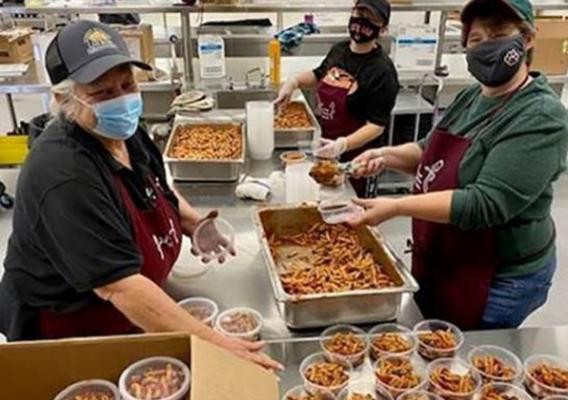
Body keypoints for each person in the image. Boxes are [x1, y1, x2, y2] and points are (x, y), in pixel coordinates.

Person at [0, 20, 282, 371]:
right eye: (102, 92)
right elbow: (121, 288)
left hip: (130, 315)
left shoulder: (125, 133)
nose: (122, 99)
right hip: (72, 329)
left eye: (127, 84)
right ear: (63, 98)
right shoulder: (65, 176)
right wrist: (216, 345)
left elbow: (159, 189)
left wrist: (193, 222)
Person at [350, 0, 568, 330]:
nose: (487, 46)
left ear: (526, 39)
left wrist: (395, 206)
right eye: (477, 39)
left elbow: (485, 203)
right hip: (448, 259)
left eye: (498, 34)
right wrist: (386, 157)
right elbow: (430, 152)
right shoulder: (472, 96)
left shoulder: (540, 116)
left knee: (462, 366)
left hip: (496, 279)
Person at [275, 0, 399, 197]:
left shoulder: (383, 71)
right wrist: (294, 81)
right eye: (359, 14)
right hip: (326, 149)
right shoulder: (339, 50)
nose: (361, 22)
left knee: (353, 213)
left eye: (370, 19)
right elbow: (319, 75)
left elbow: (376, 125)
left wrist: (343, 144)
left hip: (358, 162)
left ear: (382, 29)